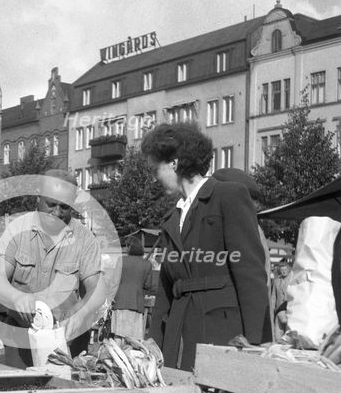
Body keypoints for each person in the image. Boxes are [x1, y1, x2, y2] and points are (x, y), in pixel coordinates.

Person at [142, 123, 271, 370]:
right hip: (177, 338)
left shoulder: (227, 196)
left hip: (222, 333)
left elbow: (250, 275)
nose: (154, 177)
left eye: (156, 168)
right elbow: (166, 292)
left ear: (174, 163)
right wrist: (153, 344)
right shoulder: (173, 218)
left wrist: (257, 344)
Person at [0, 169, 106, 369]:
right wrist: (16, 297)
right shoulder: (16, 229)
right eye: (50, 205)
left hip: (67, 340)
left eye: (65, 207)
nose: (57, 212)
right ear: (38, 199)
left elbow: (98, 289)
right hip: (21, 338)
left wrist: (81, 313)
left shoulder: (85, 239)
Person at [111, 235, 153, 341]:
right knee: (134, 340)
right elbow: (148, 285)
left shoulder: (121, 260)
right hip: (137, 305)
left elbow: (114, 282)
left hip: (120, 303)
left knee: (119, 337)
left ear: (129, 247)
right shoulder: (147, 264)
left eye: (126, 246)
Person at [271, 258, 291, 341]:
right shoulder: (276, 281)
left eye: (285, 270)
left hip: (290, 308)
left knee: (288, 332)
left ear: (288, 270)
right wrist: (272, 310)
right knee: (277, 332)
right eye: (282, 270)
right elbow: (273, 297)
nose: (284, 272)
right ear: (279, 271)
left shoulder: (292, 279)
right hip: (279, 308)